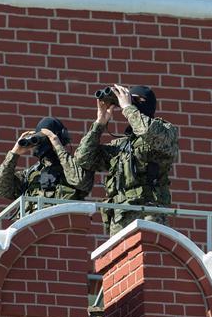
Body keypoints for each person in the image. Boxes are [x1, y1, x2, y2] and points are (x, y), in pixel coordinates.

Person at [74, 84, 178, 234]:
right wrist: (99, 123)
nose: (127, 103)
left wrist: (127, 107)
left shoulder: (166, 131)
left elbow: (148, 131)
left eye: (135, 100)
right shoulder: (121, 145)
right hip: (119, 217)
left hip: (148, 213)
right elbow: (83, 159)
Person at [0, 117, 94, 215]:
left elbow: (81, 181)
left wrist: (58, 146)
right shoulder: (29, 175)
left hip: (66, 226)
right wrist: (14, 154)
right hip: (34, 229)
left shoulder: (73, 169)